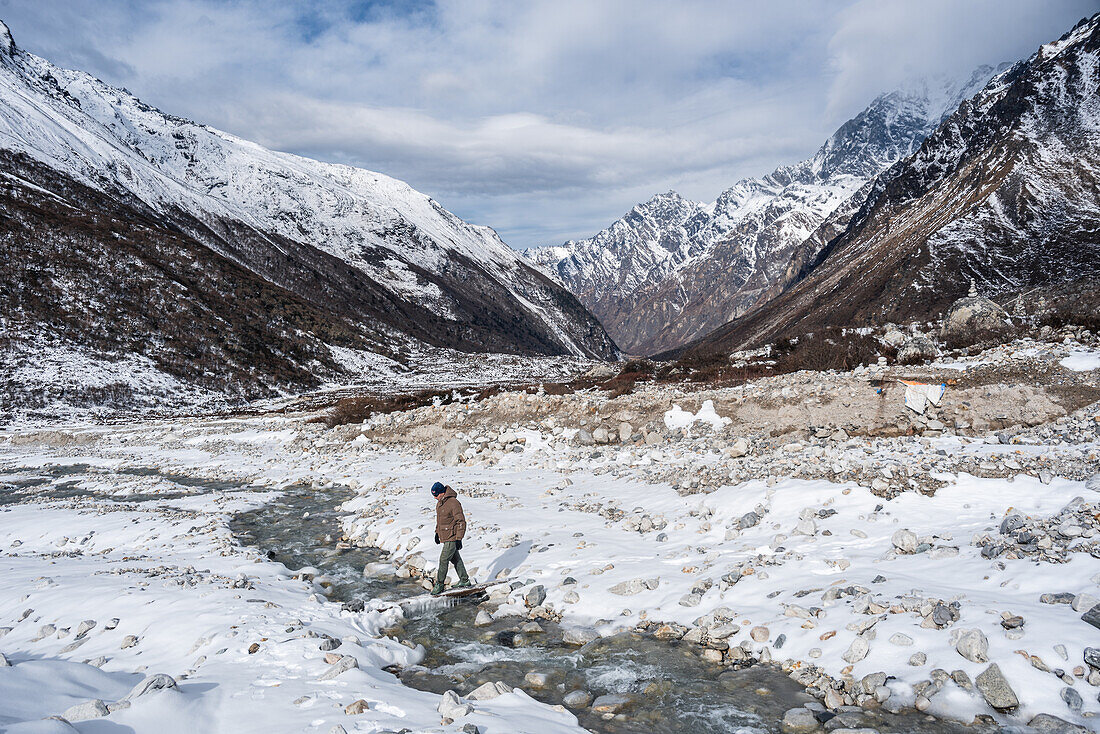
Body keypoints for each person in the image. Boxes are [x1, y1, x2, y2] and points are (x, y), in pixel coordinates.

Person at [431, 481, 472, 595]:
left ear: (442, 492)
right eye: (433, 495)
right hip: (445, 536)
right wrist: (437, 533)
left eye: (436, 495)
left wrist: (459, 538)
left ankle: (439, 585)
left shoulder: (453, 503)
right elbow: (440, 520)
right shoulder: (440, 503)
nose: (435, 498)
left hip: (452, 537)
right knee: (455, 559)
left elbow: (461, 521)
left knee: (443, 560)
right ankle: (464, 580)